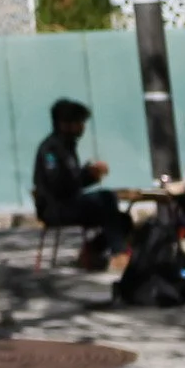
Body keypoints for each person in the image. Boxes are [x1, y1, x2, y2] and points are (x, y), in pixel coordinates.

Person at [33, 98, 131, 262]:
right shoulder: (51, 150)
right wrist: (86, 174)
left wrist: (89, 175)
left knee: (123, 220)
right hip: (55, 208)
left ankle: (91, 251)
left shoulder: (68, 147)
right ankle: (119, 254)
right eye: (79, 122)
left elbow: (73, 182)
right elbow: (59, 186)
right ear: (64, 124)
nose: (82, 127)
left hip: (70, 203)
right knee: (106, 198)